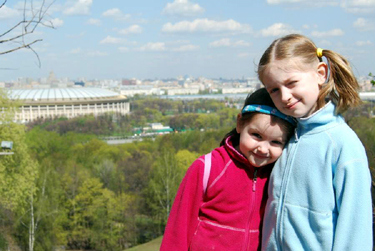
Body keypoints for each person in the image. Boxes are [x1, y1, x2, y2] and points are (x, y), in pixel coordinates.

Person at [257, 33, 373, 250]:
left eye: (292, 83)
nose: (284, 97)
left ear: (321, 74)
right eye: (274, 90)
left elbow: (355, 230)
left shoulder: (342, 144)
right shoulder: (284, 137)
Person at [160, 88, 296, 251]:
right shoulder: (207, 168)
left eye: (275, 142)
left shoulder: (279, 174)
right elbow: (178, 228)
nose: (263, 149)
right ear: (240, 124)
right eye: (256, 135)